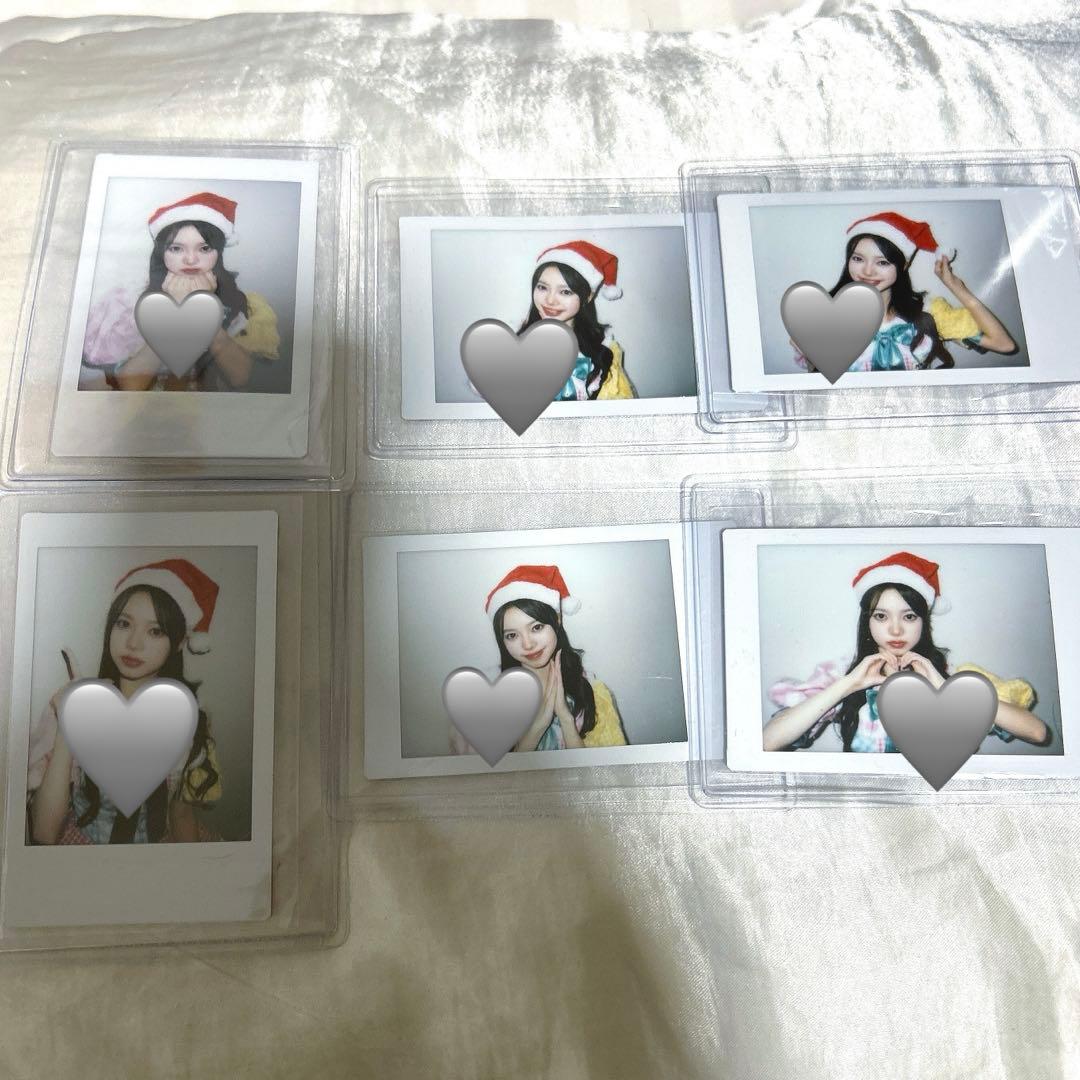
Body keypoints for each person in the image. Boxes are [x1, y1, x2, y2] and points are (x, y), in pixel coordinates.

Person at [762, 551, 1050, 753]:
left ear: (923, 622)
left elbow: (1038, 733)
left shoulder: (950, 674)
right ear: (867, 621)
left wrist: (943, 685)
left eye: (909, 616)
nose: (896, 630)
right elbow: (767, 742)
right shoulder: (844, 674)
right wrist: (848, 685)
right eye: (881, 616)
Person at [27, 559, 224, 844]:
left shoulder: (189, 718)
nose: (133, 643)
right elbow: (43, 834)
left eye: (155, 631)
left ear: (180, 642)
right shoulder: (79, 703)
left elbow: (181, 816)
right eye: (124, 623)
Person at [80, 191, 280, 391]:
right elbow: (131, 385)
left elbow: (240, 378)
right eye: (176, 248)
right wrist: (172, 311)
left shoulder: (247, 305)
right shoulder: (128, 303)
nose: (190, 260)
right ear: (162, 254)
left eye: (204, 248)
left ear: (218, 253)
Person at [794, 211, 1017, 374]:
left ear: (904, 265)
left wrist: (957, 286)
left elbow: (1003, 344)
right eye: (858, 258)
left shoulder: (929, 313)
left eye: (882, 262)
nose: (867, 271)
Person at [450, 564, 628, 753]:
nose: (527, 644)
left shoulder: (592, 691)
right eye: (512, 635)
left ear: (557, 620)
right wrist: (537, 728)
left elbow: (605, 768)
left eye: (536, 627)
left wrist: (566, 720)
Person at [518, 240, 636, 400]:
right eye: (542, 287)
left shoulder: (604, 350)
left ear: (588, 296)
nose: (550, 300)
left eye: (565, 292)